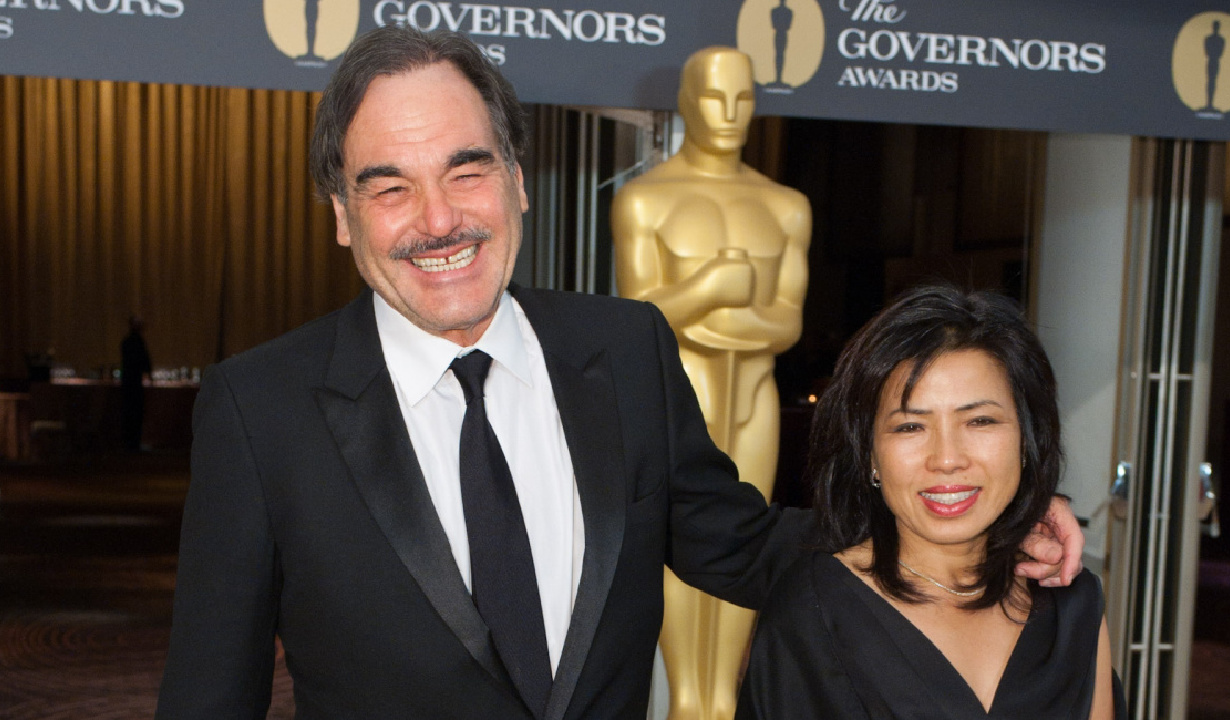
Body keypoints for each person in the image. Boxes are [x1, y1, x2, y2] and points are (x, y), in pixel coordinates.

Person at [156, 28, 1082, 720]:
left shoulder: (627, 349)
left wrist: (971, 522)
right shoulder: (260, 409)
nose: (437, 219)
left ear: (518, 178)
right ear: (341, 216)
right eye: (389, 186)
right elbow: (210, 691)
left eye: (466, 170)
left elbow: (745, 545)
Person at [737, 285, 1122, 720]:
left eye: (979, 420)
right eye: (909, 428)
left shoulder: (1072, 604)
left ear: (1027, 441)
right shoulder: (810, 615)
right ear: (869, 456)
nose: (947, 459)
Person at [612, 46, 810, 720]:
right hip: (679, 396)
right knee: (673, 547)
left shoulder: (784, 206)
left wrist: (716, 318)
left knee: (745, 547)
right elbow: (640, 316)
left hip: (753, 397)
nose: (728, 114)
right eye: (714, 98)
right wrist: (712, 289)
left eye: (743, 99)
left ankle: (717, 702)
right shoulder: (646, 200)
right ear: (688, 102)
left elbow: (786, 323)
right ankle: (687, 703)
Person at [119, 314, 152, 450]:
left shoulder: (127, 342)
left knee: (129, 413)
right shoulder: (138, 342)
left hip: (128, 383)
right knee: (135, 413)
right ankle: (133, 443)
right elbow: (145, 362)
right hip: (134, 384)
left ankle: (129, 442)